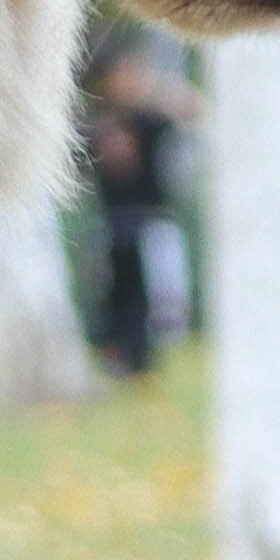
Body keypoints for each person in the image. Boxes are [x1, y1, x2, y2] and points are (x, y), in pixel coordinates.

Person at [84, 43, 185, 373]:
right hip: (114, 228)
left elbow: (196, 114)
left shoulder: (153, 120)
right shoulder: (97, 124)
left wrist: (163, 92)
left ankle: (142, 362)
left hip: (150, 225)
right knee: (114, 299)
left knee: (153, 305)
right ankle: (117, 360)